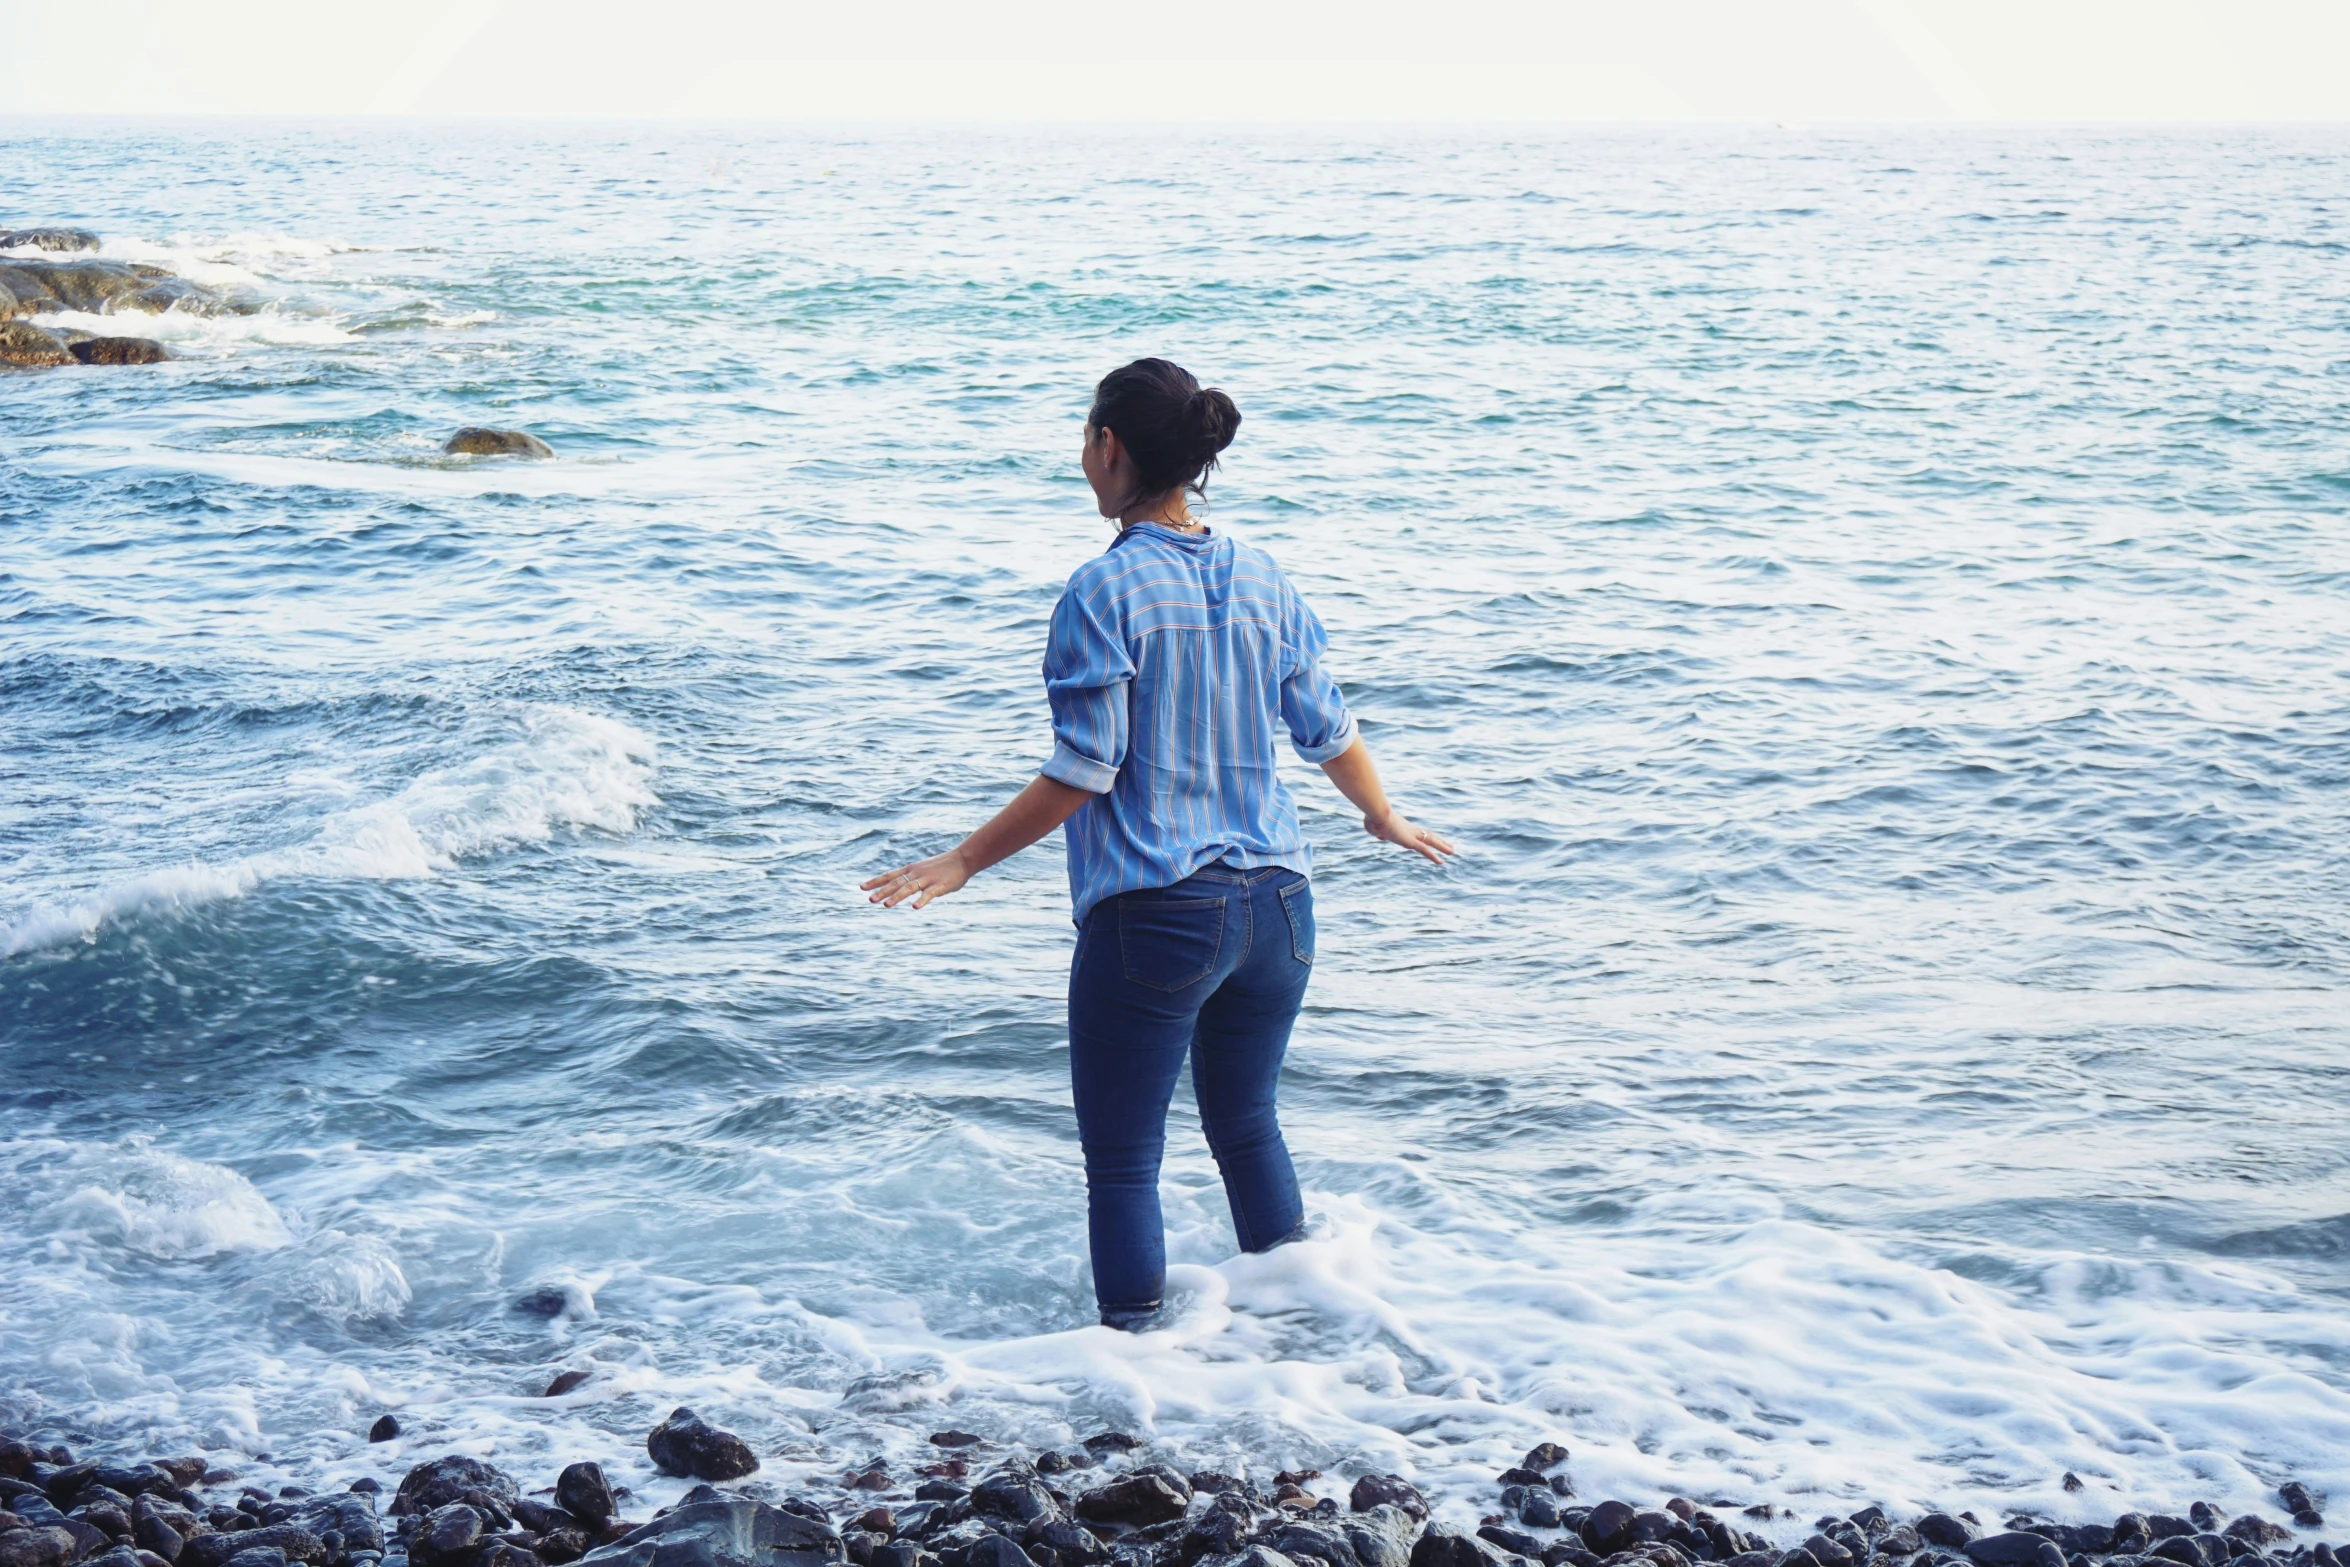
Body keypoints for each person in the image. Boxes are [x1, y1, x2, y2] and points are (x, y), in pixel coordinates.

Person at [861, 357, 1453, 1330]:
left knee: (1125, 1157)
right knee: (1247, 1125)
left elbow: (1085, 768)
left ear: (1109, 448)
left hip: (1160, 916)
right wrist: (1379, 815)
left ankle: (1134, 1375)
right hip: (1280, 907)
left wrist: (964, 858)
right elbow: (1326, 725)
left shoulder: (1104, 590)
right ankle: (1314, 1349)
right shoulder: (1263, 574)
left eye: (1085, 441)